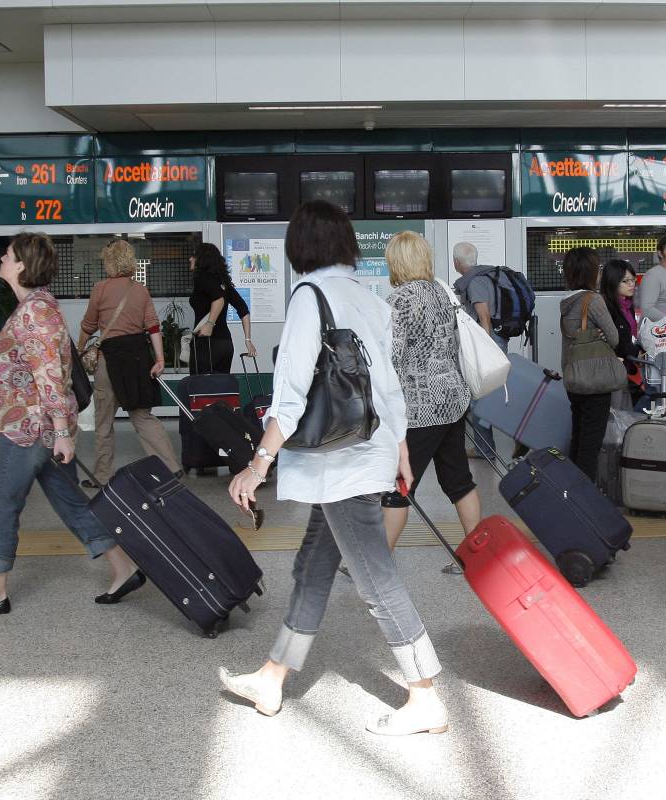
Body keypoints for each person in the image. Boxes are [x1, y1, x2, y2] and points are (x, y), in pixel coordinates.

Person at [219, 201, 448, 737]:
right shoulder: (368, 298)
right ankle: (273, 675)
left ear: (300, 246)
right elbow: (388, 385)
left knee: (374, 576)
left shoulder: (309, 297)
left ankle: (425, 696)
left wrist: (258, 464)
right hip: (362, 454)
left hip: (336, 463)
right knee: (313, 567)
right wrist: (400, 449)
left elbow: (292, 392)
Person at [0, 232, 144, 616]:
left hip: (30, 430)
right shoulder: (37, 305)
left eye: (6, 255)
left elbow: (50, 375)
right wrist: (1, 374)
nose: (0, 260)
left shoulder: (34, 310)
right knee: (72, 502)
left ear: (22, 264)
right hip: (41, 426)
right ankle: (124, 566)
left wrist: (60, 432)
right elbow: (35, 366)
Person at [376, 231, 482, 572]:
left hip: (420, 409)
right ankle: (476, 556)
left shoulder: (399, 301)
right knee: (459, 481)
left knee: (398, 486)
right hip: (453, 399)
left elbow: (391, 358)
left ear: (396, 261)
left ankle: (378, 564)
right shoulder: (442, 291)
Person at [77, 239, 182, 487]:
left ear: (110, 262)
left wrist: (80, 350)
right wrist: (160, 359)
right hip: (137, 359)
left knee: (104, 421)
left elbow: (88, 325)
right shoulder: (140, 290)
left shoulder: (100, 289)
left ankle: (102, 476)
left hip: (109, 361)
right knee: (142, 416)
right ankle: (170, 467)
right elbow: (153, 327)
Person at [560, 247, 620, 481]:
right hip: (594, 380)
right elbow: (613, 338)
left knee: (579, 436)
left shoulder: (566, 301)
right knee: (590, 444)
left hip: (574, 379)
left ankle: (571, 492)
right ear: (591, 271)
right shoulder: (593, 300)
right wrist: (600, 334)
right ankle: (584, 498)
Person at [451, 241, 507, 459]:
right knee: (485, 396)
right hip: (496, 340)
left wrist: (483, 352)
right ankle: (487, 446)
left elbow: (484, 318)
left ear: (456, 262)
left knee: (479, 398)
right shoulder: (487, 276)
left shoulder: (475, 283)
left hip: (489, 342)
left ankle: (486, 449)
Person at [188, 242, 256, 375]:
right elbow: (244, 310)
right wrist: (248, 340)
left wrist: (209, 324)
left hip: (206, 344)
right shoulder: (223, 283)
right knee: (221, 390)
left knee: (201, 389)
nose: (190, 258)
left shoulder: (201, 278)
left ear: (202, 259)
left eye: (194, 256)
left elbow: (219, 300)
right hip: (225, 345)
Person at [599, 258, 643, 404]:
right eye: (625, 281)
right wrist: (637, 353)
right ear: (612, 282)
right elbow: (615, 339)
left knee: (624, 410)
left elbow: (629, 336)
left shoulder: (627, 304)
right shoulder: (605, 306)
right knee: (615, 413)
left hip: (625, 368)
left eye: (633, 280)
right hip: (610, 370)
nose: (632, 285)